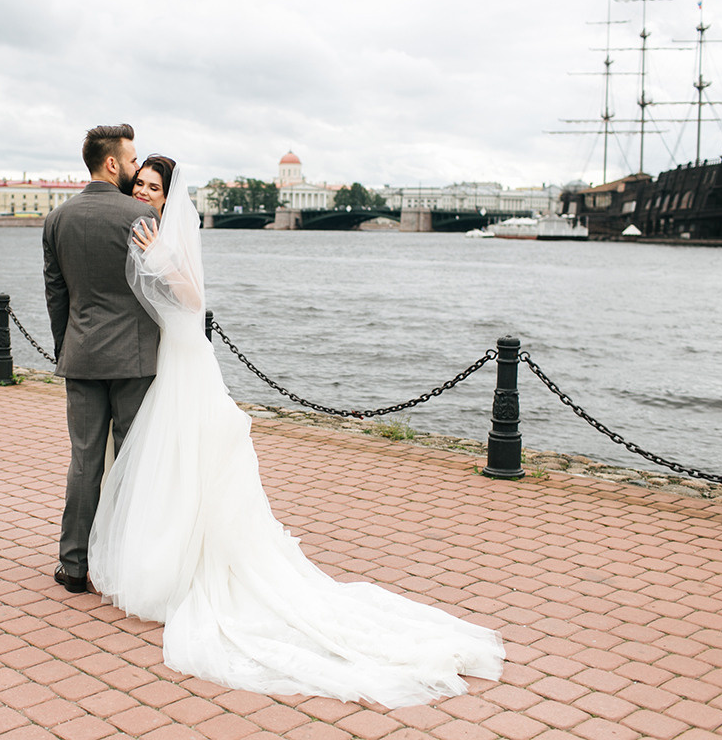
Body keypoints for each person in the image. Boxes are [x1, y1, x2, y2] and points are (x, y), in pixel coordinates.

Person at [88, 156, 505, 708]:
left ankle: (189, 563)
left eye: (152, 186)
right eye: (138, 184)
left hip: (187, 360)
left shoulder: (169, 236)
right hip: (169, 358)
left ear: (169, 195)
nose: (143, 192)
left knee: (193, 455)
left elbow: (192, 299)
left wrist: (155, 258)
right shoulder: (149, 228)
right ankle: (169, 552)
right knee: (174, 461)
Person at [43, 124, 159, 594]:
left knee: (84, 461)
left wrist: (66, 346)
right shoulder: (140, 216)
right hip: (134, 358)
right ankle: (124, 562)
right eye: (132, 161)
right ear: (112, 163)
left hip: (82, 354)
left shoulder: (58, 218)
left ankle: (73, 565)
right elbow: (157, 291)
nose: (135, 169)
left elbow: (56, 294)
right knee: (131, 461)